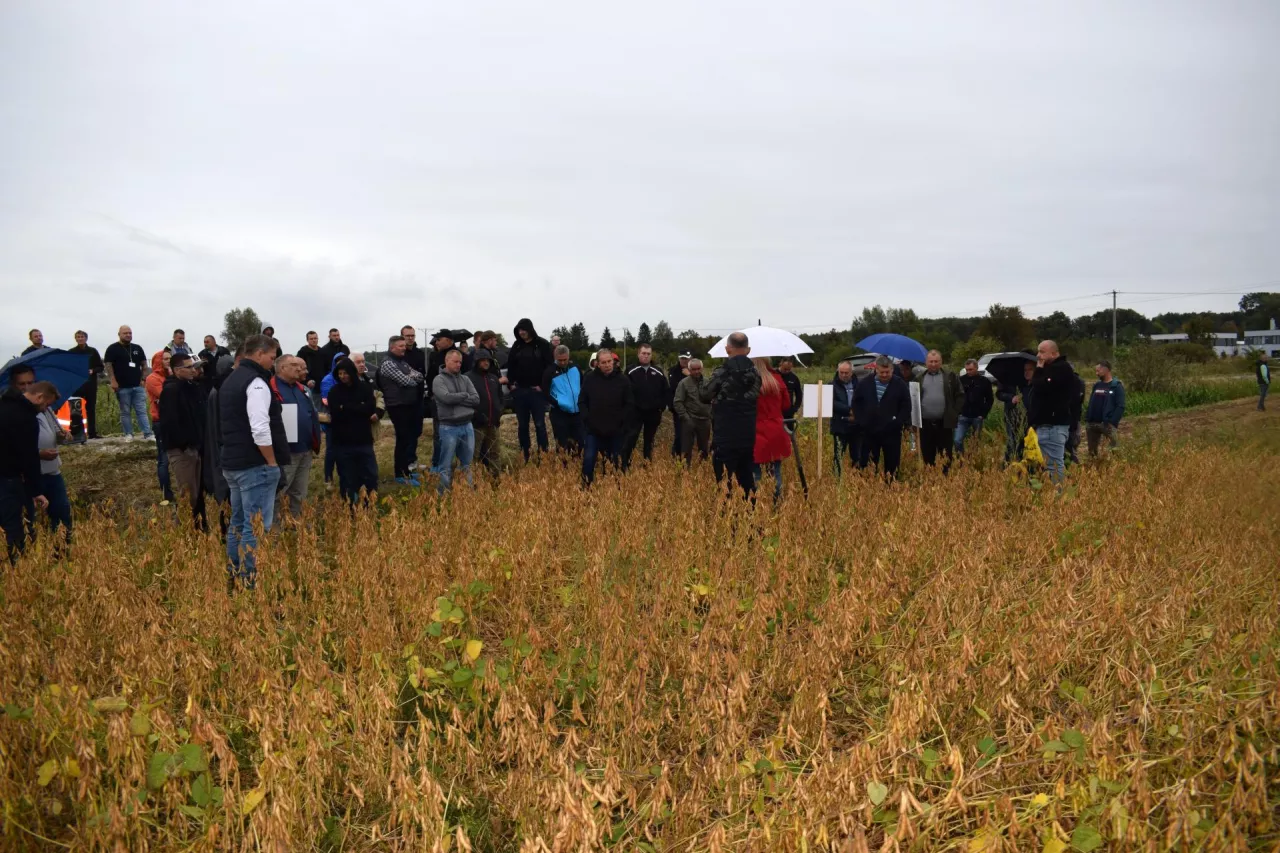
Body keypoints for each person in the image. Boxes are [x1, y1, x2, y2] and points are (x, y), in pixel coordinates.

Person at [219, 335, 291, 590]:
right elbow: (260, 427)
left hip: (233, 463)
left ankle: (234, 574)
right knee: (255, 527)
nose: (272, 363)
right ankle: (251, 582)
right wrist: (271, 462)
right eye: (272, 357)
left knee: (238, 522)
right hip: (254, 465)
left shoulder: (231, 380)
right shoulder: (256, 383)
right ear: (260, 353)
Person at [0, 377, 55, 563]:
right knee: (15, 525)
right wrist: (36, 490)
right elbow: (29, 457)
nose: (45, 409)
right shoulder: (26, 418)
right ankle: (17, 568)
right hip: (9, 478)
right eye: (46, 404)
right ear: (39, 397)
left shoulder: (4, 406)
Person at [701, 333, 760, 497]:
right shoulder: (756, 374)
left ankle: (726, 518)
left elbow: (704, 395)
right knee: (747, 480)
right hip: (748, 436)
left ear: (727, 349)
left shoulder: (722, 373)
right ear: (748, 350)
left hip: (725, 436)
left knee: (724, 481)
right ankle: (750, 515)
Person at [158, 352, 207, 519]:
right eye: (189, 367)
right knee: (188, 494)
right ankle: (183, 532)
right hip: (182, 449)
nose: (193, 370)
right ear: (177, 370)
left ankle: (196, 529)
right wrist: (185, 445)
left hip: (194, 446)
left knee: (196, 493)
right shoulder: (171, 391)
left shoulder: (191, 387)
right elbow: (171, 422)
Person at [270, 355, 321, 516]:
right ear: (282, 368)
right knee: (279, 491)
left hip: (305, 449)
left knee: (299, 492)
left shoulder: (302, 389)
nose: (298, 368)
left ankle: (296, 525)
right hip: (286, 452)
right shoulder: (271, 389)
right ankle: (275, 527)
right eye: (293, 365)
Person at [326, 357, 379, 504]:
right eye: (340, 374)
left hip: (363, 440)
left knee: (370, 475)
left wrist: (346, 407)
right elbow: (335, 412)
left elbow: (369, 408)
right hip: (343, 443)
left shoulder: (366, 388)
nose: (342, 376)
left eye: (345, 373)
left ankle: (370, 504)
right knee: (347, 478)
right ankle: (350, 507)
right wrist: (358, 407)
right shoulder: (334, 391)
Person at [580, 348, 634, 486]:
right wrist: (587, 418)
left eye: (609, 361)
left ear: (613, 361)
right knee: (589, 458)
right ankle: (586, 487)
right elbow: (582, 401)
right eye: (603, 362)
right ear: (597, 363)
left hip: (616, 430)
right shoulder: (589, 379)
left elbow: (629, 404)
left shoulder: (623, 380)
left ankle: (615, 487)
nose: (607, 365)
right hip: (593, 429)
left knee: (615, 460)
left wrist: (622, 422)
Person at [378, 334, 426, 485]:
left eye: (404, 346)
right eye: (401, 346)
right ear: (392, 347)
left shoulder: (402, 362)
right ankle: (400, 474)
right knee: (402, 439)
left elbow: (419, 376)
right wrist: (411, 377)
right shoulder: (388, 363)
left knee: (408, 438)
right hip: (397, 406)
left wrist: (411, 376)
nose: (404, 348)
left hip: (408, 404)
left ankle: (407, 470)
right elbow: (407, 381)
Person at [853, 356, 912, 479]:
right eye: (882, 372)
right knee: (868, 464)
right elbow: (856, 403)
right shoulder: (865, 383)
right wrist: (862, 421)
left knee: (892, 464)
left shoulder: (900, 384)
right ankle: (868, 488)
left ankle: (891, 489)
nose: (885, 375)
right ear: (876, 370)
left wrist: (898, 422)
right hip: (869, 431)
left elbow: (906, 406)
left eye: (887, 372)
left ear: (892, 369)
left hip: (891, 432)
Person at [431, 350, 481, 494]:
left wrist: (457, 398)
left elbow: (476, 399)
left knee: (466, 463)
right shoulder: (438, 380)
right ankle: (443, 494)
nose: (459, 364)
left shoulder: (465, 379)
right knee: (445, 464)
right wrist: (465, 396)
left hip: (467, 425)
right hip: (449, 427)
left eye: (460, 362)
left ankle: (466, 491)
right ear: (447, 361)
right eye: (455, 361)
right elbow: (446, 398)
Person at [1028, 340, 1075, 484]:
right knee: (1049, 464)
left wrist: (1039, 369)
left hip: (1052, 425)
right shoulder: (1052, 368)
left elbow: (1039, 386)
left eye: (1042, 352)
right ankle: (1054, 494)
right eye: (1038, 351)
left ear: (1054, 353)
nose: (1038, 355)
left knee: (1053, 465)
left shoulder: (1060, 368)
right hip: (1047, 425)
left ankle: (1059, 496)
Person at [506, 319, 554, 461]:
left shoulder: (542, 344)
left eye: (524, 330)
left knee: (540, 424)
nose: (521, 333)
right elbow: (511, 365)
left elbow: (550, 367)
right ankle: (525, 454)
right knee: (522, 426)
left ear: (530, 329)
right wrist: (511, 384)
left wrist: (543, 386)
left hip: (537, 392)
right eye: (519, 330)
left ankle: (543, 455)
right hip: (520, 391)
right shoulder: (517, 346)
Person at [35, 386, 72, 551]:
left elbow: (55, 434)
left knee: (62, 509)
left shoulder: (47, 411)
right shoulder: (20, 414)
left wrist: (63, 435)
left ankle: (63, 548)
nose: (49, 405)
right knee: (34, 516)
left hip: (53, 469)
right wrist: (39, 454)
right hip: (34, 472)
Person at [103, 325, 154, 440]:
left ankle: (148, 433)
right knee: (125, 412)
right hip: (122, 387)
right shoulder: (112, 348)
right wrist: (113, 380)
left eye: (130, 333)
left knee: (141, 411)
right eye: (125, 333)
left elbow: (145, 365)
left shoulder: (137, 348)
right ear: (119, 334)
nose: (128, 335)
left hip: (138, 386)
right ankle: (128, 434)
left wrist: (143, 379)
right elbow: (108, 366)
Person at [753, 358, 791, 500]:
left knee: (756, 472)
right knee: (775, 471)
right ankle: (776, 503)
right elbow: (786, 405)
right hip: (776, 430)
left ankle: (757, 504)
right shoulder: (777, 379)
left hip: (756, 431)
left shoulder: (749, 382)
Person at [917, 350, 962, 471]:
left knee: (946, 453)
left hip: (944, 423)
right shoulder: (919, 378)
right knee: (927, 452)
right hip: (925, 423)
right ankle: (930, 476)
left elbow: (960, 395)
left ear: (941, 362)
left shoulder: (950, 377)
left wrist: (954, 412)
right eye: (931, 361)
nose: (933, 364)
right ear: (926, 362)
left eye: (936, 361)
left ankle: (945, 478)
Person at [623, 344, 668, 466]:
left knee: (649, 440)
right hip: (635, 413)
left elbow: (665, 390)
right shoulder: (630, 371)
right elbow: (624, 391)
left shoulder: (658, 371)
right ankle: (625, 464)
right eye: (643, 353)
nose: (646, 356)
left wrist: (661, 407)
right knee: (631, 438)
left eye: (648, 354)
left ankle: (647, 464)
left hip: (653, 413)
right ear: (638, 354)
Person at [467, 348, 504, 477]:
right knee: (473, 455)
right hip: (475, 425)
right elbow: (465, 400)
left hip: (493, 423)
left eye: (488, 360)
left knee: (494, 453)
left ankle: (495, 481)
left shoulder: (493, 378)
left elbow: (500, 397)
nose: (486, 363)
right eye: (482, 360)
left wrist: (499, 412)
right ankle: (473, 482)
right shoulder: (468, 378)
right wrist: (475, 415)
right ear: (476, 361)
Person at [145, 351, 175, 504]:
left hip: (174, 419)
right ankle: (166, 493)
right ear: (158, 361)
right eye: (165, 359)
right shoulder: (152, 379)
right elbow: (167, 397)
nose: (168, 361)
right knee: (164, 458)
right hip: (161, 420)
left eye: (170, 358)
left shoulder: (171, 375)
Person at [544, 345, 585, 455]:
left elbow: (583, 385)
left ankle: (577, 466)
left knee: (580, 442)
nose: (562, 362)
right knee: (563, 444)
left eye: (564, 360)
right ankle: (564, 469)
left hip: (577, 413)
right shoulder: (549, 372)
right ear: (555, 357)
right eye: (559, 360)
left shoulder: (575, 368)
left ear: (568, 357)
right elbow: (546, 392)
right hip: (559, 413)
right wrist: (558, 403)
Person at [672, 358, 711, 464]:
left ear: (702, 368)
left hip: (704, 420)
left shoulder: (708, 382)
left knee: (704, 449)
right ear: (689, 369)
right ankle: (685, 472)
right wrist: (686, 418)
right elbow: (677, 402)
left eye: (698, 369)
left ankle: (703, 470)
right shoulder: (684, 383)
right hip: (690, 420)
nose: (697, 371)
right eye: (694, 369)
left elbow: (713, 399)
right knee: (686, 449)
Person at [1085, 360, 1126, 457]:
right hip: (1092, 423)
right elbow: (1091, 402)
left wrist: (1112, 421)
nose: (1096, 373)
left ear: (1106, 370)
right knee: (1092, 451)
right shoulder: (1097, 385)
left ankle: (1119, 467)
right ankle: (1095, 468)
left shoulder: (1116, 386)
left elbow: (1120, 406)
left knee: (1115, 449)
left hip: (1107, 424)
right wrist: (1088, 417)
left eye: (1098, 371)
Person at [997, 360, 1035, 464]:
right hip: (1012, 415)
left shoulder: (1031, 385)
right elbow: (999, 393)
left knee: (1025, 443)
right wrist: (1011, 397)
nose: (1026, 372)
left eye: (1030, 369)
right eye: (1025, 370)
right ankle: (1010, 464)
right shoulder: (1007, 378)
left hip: (1028, 419)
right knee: (1012, 442)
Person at [401, 325, 427, 470]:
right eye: (407, 336)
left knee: (417, 430)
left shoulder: (419, 353)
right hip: (404, 399)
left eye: (412, 335)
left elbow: (421, 374)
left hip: (418, 396)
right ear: (402, 337)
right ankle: (405, 462)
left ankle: (412, 459)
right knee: (406, 431)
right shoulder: (400, 354)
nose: (410, 338)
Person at [955, 359, 994, 454]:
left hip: (977, 416)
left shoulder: (984, 381)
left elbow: (990, 399)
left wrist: (983, 414)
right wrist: (958, 412)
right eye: (967, 369)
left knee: (975, 442)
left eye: (971, 369)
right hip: (963, 415)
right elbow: (955, 397)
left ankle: (973, 460)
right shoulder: (960, 380)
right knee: (957, 440)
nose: (969, 372)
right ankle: (961, 460)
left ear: (976, 368)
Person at [70, 330, 104, 439]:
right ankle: (77, 433)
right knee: (75, 409)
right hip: (77, 384)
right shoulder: (71, 352)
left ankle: (92, 433)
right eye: (78, 337)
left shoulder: (93, 351)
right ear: (75, 339)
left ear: (86, 338)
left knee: (91, 408)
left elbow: (100, 367)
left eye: (82, 337)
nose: (80, 338)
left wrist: (93, 371)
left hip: (90, 384)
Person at [831, 360, 860, 477]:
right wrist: (849, 410)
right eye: (841, 372)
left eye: (846, 373)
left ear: (851, 372)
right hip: (840, 425)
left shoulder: (859, 384)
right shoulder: (831, 385)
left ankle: (857, 478)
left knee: (857, 455)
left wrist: (857, 413)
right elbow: (831, 403)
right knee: (838, 455)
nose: (843, 375)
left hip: (856, 425)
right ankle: (836, 479)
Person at [296, 331, 330, 408]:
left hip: (322, 385)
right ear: (307, 340)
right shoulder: (303, 352)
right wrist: (307, 380)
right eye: (311, 339)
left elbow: (327, 367)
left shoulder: (322, 352)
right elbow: (299, 368)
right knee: (313, 407)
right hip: (309, 385)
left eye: (315, 338)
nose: (314, 340)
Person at [667, 353, 691, 458]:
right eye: (682, 358)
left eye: (686, 358)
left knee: (690, 432)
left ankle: (687, 454)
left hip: (691, 407)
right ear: (679, 359)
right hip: (678, 406)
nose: (684, 361)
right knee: (679, 432)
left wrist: (690, 375)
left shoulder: (694, 369)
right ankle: (676, 454)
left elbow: (701, 385)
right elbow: (674, 387)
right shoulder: (673, 371)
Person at [1066, 368, 1087, 465]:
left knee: (1072, 445)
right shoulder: (1078, 381)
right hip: (1072, 418)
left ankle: (1073, 466)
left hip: (1073, 419)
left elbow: (1077, 402)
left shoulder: (1078, 382)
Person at [778, 358, 803, 422]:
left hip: (789, 412)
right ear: (781, 363)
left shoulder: (794, 378)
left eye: (789, 369)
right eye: (785, 369)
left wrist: (795, 408)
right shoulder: (774, 375)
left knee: (789, 431)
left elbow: (799, 395)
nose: (787, 371)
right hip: (775, 411)